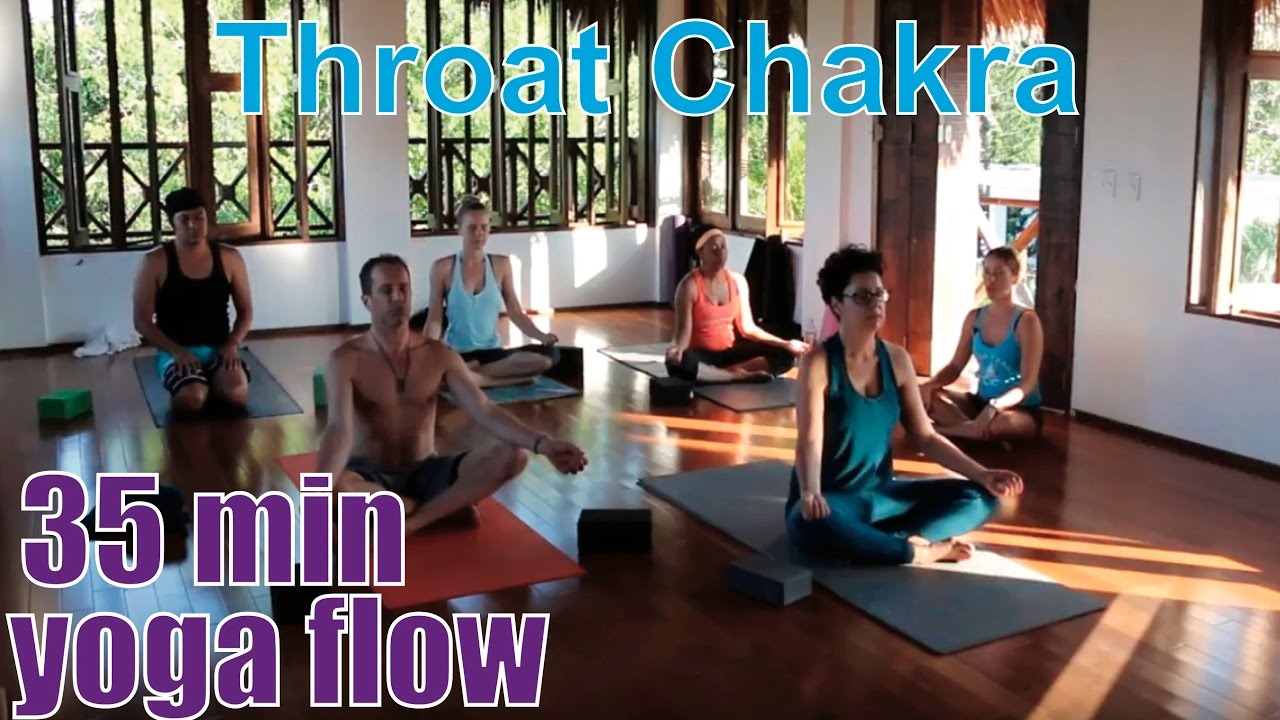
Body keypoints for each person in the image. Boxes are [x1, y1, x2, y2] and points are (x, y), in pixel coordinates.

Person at [787, 246, 1025, 566]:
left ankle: (892, 542)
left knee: (982, 497)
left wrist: (983, 474)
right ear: (836, 304)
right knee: (810, 524)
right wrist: (810, 493)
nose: (875, 303)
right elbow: (809, 441)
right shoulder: (819, 363)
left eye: (879, 294)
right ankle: (915, 551)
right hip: (833, 500)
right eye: (861, 296)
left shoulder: (896, 359)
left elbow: (925, 436)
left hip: (882, 497)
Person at [317, 254, 588, 535]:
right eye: (386, 290)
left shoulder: (437, 354)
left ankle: (411, 521)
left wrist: (543, 444)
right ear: (367, 301)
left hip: (427, 470)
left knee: (514, 455)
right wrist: (317, 495)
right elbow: (338, 431)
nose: (398, 298)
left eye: (403, 289)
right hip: (368, 476)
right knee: (337, 490)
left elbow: (484, 410)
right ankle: (442, 508)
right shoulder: (345, 360)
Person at [132, 187, 254, 414]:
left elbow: (246, 312)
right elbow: (142, 321)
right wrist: (177, 352)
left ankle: (211, 381)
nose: (193, 225)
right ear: (173, 223)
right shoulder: (154, 261)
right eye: (184, 219)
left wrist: (232, 345)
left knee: (236, 394)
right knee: (192, 398)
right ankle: (194, 385)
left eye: (199, 217)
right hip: (175, 352)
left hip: (219, 348)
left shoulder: (230, 258)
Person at [422, 196, 562, 388]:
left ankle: (464, 377)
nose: (479, 234)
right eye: (472, 228)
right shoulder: (442, 268)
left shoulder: (501, 265)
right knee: (441, 366)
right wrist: (425, 353)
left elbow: (515, 312)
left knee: (549, 357)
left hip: (493, 353)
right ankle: (489, 377)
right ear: (460, 229)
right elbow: (435, 320)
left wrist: (541, 336)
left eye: (484, 227)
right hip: (458, 354)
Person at [919, 247, 1044, 441]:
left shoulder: (1027, 320)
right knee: (922, 396)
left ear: (1015, 278)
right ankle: (978, 433)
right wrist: (930, 385)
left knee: (1004, 424)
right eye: (987, 272)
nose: (991, 280)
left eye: (999, 273)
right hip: (979, 403)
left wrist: (996, 405)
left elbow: (1027, 384)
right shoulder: (974, 318)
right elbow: (955, 366)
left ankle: (938, 433)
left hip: (1018, 410)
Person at [665, 225, 808, 383]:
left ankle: (720, 375)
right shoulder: (689, 286)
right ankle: (736, 376)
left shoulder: (737, 281)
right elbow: (683, 334)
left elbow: (747, 328)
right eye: (714, 248)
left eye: (723, 247)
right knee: (680, 364)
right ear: (700, 252)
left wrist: (786, 344)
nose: (720, 252)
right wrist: (676, 350)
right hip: (703, 357)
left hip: (730, 352)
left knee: (785, 355)